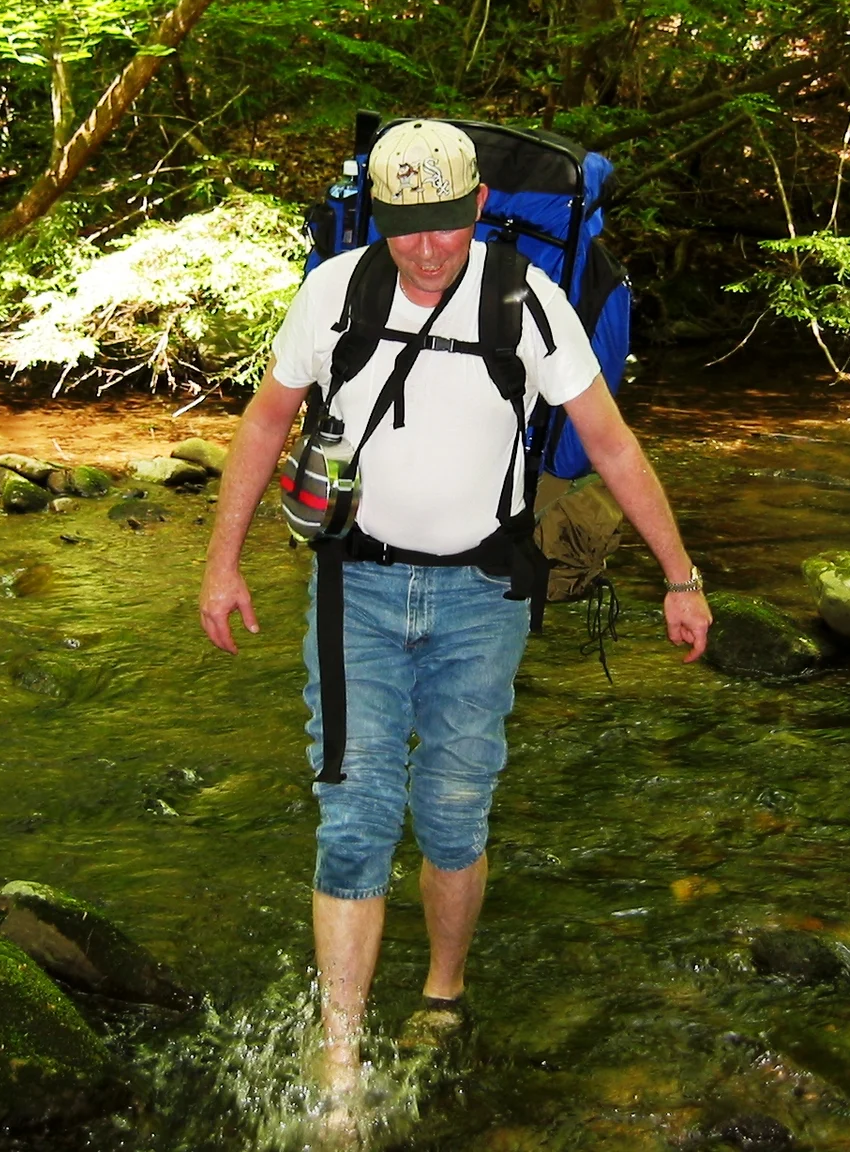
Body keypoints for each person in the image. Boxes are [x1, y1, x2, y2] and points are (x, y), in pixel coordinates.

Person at [198, 118, 711, 1102]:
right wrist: (221, 565)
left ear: (479, 205)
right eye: (405, 225)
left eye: (445, 222)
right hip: (354, 588)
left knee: (452, 811)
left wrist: (679, 577)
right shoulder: (335, 292)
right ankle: (341, 1065)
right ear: (378, 215)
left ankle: (442, 992)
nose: (428, 248)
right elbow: (265, 421)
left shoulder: (529, 301)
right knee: (354, 820)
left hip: (483, 594)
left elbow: (611, 443)